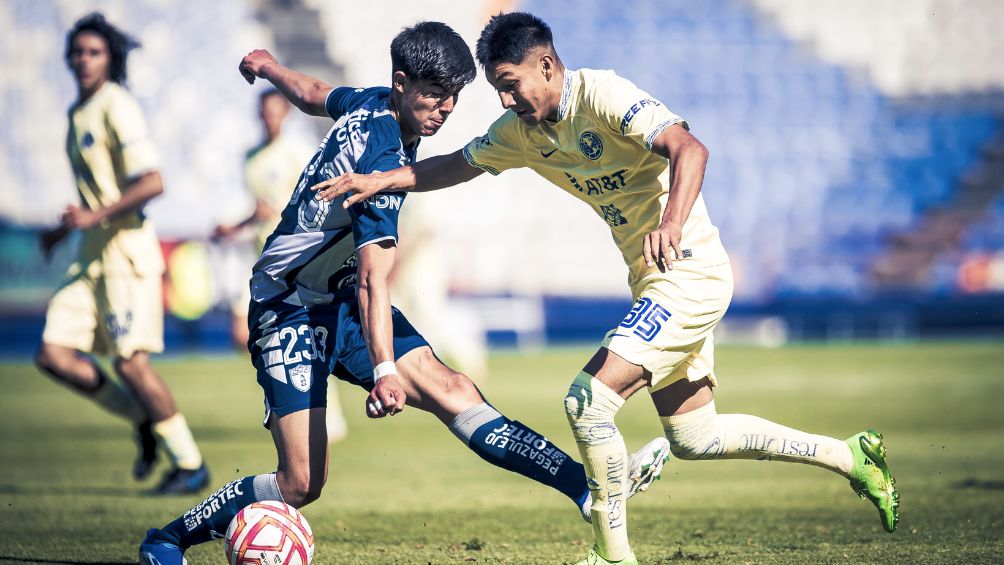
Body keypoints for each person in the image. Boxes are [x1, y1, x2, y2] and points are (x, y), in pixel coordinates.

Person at [312, 12, 900, 565]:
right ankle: (850, 456)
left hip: (688, 271)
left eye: (512, 84)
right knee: (697, 436)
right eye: (497, 89)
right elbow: (459, 164)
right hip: (654, 280)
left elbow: (690, 148)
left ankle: (612, 554)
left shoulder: (604, 95)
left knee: (587, 401)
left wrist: (671, 224)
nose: (506, 100)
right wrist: (384, 178)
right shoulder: (520, 131)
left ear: (547, 66)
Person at [138, 21, 669, 565]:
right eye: (435, 95)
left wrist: (270, 68)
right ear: (401, 82)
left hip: (340, 301)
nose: (445, 108)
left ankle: (589, 488)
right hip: (287, 307)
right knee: (300, 484)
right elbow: (375, 278)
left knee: (455, 391)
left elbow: (316, 94)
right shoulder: (383, 160)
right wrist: (386, 371)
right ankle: (169, 538)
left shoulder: (370, 101)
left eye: (454, 97)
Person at [35, 12, 209, 495]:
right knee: (51, 354)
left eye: (94, 52)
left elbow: (153, 181)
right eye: (77, 52)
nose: (83, 60)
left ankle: (191, 464)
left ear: (109, 59)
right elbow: (97, 194)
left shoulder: (117, 106)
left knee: (132, 363)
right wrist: (59, 232)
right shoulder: (78, 112)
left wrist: (97, 216)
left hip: (126, 256)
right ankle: (144, 419)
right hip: (88, 257)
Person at [213, 89, 348, 443]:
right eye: (265, 113)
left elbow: (319, 194)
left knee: (299, 337)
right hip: (263, 258)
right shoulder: (252, 157)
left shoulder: (297, 152)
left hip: (297, 259)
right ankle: (288, 399)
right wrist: (236, 226)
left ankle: (320, 412)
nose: (270, 118)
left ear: (286, 114)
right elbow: (260, 209)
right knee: (246, 336)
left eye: (276, 112)